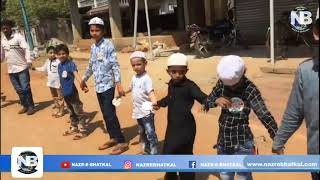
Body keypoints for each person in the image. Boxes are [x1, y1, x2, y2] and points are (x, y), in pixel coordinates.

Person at [203, 55, 278, 180]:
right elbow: (207, 101)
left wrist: (277, 137)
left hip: (243, 143)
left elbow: (263, 114)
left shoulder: (250, 89)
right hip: (223, 141)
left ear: (244, 72)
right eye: (229, 85)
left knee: (244, 176)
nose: (231, 87)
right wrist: (215, 100)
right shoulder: (222, 83)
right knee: (225, 175)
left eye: (235, 85)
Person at [272, 18, 319, 180]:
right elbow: (295, 111)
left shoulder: (306, 71)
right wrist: (279, 140)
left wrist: (279, 141)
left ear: (315, 33)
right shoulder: (305, 72)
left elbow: (295, 112)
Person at [154, 53, 207, 180]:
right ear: (168, 71)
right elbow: (170, 98)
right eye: (174, 71)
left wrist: (207, 103)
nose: (177, 75)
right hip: (173, 126)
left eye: (181, 72)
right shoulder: (172, 84)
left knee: (185, 154)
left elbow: (202, 96)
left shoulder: (190, 86)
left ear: (186, 71)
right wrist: (160, 104)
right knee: (169, 152)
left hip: (186, 128)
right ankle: (171, 175)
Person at [80, 17, 129, 155]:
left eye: (97, 30)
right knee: (105, 114)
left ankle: (122, 141)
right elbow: (91, 65)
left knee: (109, 113)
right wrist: (84, 79)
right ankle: (113, 137)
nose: (94, 33)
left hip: (108, 85)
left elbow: (115, 65)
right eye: (92, 30)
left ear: (103, 31)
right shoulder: (93, 47)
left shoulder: (108, 45)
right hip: (98, 86)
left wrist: (118, 83)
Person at [127, 51, 159, 155]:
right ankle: (146, 150)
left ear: (145, 63)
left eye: (139, 64)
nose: (136, 67)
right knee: (142, 132)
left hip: (146, 111)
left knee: (150, 132)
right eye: (133, 65)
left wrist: (154, 101)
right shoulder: (134, 77)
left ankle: (154, 152)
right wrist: (123, 93)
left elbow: (151, 92)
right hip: (138, 111)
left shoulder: (146, 79)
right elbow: (130, 88)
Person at [1, 19, 35, 115]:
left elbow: (26, 48)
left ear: (10, 28)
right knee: (18, 90)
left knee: (25, 88)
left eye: (6, 28)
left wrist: (29, 61)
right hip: (11, 69)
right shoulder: (2, 40)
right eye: (3, 29)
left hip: (22, 67)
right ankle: (25, 105)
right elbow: (2, 54)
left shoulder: (18, 37)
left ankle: (31, 106)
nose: (4, 30)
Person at [56, 44, 88, 140]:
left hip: (72, 92)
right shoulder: (59, 65)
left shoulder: (71, 64)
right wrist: (61, 93)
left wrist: (83, 85)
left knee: (78, 111)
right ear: (57, 56)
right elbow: (61, 80)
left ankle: (83, 130)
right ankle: (74, 127)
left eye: (64, 53)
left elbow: (76, 74)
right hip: (65, 93)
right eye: (59, 54)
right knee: (71, 111)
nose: (62, 55)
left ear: (67, 54)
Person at [32, 46, 65, 117]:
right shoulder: (47, 61)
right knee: (54, 96)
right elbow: (43, 69)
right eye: (50, 53)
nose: (52, 54)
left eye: (54, 53)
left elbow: (63, 69)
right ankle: (58, 109)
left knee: (60, 97)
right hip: (51, 83)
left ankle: (62, 111)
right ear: (47, 53)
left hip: (58, 83)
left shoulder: (58, 61)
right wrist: (35, 68)